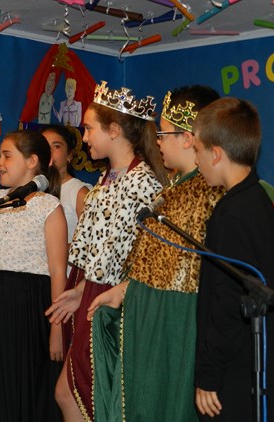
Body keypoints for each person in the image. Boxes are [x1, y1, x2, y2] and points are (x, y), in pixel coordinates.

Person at [87, 85, 223, 421]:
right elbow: (151, 261)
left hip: (177, 320)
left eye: (163, 133)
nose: (157, 141)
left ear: (188, 139)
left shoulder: (210, 193)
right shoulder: (173, 189)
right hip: (150, 314)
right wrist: (125, 289)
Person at [45, 81, 169, 421]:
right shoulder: (107, 178)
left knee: (83, 392)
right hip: (91, 287)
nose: (84, 137)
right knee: (76, 392)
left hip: (114, 295)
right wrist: (80, 288)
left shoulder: (142, 182)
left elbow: (141, 252)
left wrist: (95, 288)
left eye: (89, 129)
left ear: (114, 131)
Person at [192, 97, 274, 421]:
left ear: (215, 154)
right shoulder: (257, 200)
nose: (196, 160)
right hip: (257, 367)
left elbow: (228, 304)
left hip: (238, 376)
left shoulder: (232, 214)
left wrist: (208, 374)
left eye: (196, 150)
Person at [0, 129, 67, 421]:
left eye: (6, 156)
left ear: (32, 162)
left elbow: (58, 271)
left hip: (30, 305)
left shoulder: (49, 207)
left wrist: (57, 328)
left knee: (24, 382)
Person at [41, 125, 91, 244]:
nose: (49, 152)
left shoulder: (80, 192)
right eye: (44, 146)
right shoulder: (31, 190)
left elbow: (88, 243)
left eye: (56, 146)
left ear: (69, 155)